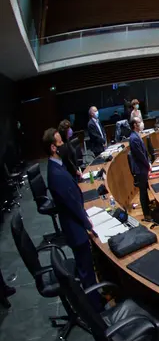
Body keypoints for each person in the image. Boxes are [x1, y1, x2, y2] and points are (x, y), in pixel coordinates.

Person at [43, 128, 98, 298]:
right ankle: (96, 309)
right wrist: (88, 223)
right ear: (53, 147)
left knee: (87, 267)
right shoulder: (55, 173)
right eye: (60, 143)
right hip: (75, 229)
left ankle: (96, 298)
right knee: (86, 270)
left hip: (74, 224)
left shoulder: (58, 166)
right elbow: (71, 204)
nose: (64, 145)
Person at [128, 116, 151, 220]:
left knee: (145, 191)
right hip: (140, 169)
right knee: (143, 191)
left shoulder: (136, 135)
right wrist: (148, 165)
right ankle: (146, 215)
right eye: (139, 122)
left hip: (143, 167)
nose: (141, 123)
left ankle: (149, 209)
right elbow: (140, 155)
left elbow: (144, 152)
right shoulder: (133, 138)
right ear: (134, 125)